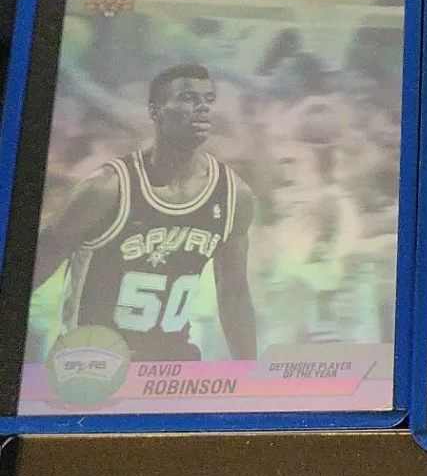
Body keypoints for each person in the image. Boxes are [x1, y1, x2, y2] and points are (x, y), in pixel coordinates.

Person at [32, 63, 258, 362]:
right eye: (188, 98)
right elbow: (33, 268)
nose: (203, 107)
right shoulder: (107, 189)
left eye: (208, 99)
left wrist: (250, 374)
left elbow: (234, 293)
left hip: (173, 365)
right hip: (94, 364)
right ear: (155, 110)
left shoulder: (233, 194)